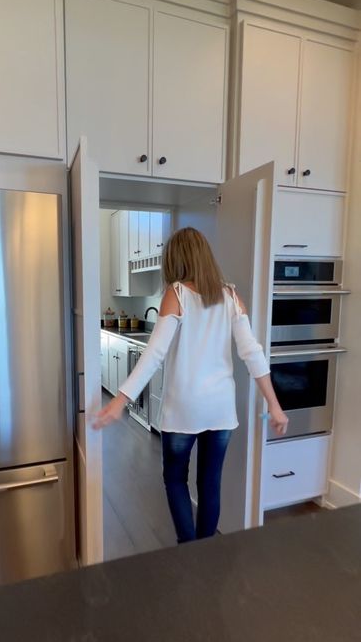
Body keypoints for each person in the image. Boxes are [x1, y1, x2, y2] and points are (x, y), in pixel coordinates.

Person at [93, 227, 288, 544]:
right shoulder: (231, 296)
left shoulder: (177, 293)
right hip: (221, 409)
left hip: (184, 409)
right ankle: (205, 555)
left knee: (175, 479)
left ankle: (188, 550)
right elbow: (252, 353)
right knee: (210, 483)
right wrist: (275, 406)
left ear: (176, 260)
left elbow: (154, 355)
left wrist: (119, 401)